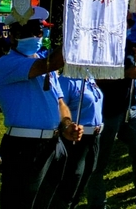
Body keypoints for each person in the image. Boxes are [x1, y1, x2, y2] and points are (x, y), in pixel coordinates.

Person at [0, 7, 84, 208]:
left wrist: (67, 124)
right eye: (31, 31)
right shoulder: (6, 64)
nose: (37, 36)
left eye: (40, 31)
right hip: (24, 146)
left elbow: (60, 102)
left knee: (47, 202)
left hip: (53, 144)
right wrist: (79, 30)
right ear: (14, 35)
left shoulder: (43, 63)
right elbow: (51, 63)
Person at [88, 42, 136, 209]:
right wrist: (125, 74)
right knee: (98, 161)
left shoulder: (130, 45)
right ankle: (97, 204)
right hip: (107, 111)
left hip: (132, 107)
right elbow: (94, 77)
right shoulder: (100, 45)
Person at [52, 74, 105, 208]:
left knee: (82, 183)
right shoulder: (66, 81)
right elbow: (58, 109)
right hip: (76, 139)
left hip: (94, 138)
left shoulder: (89, 78)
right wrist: (67, 126)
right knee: (70, 183)